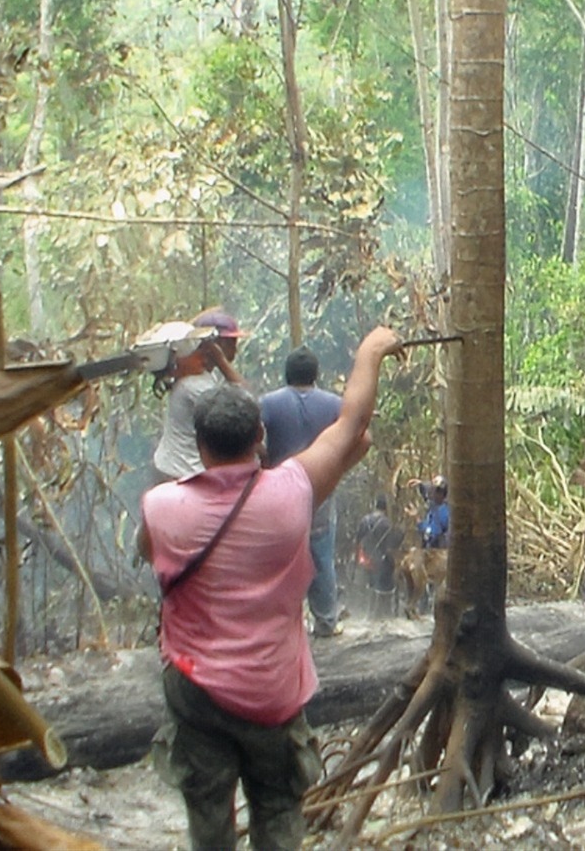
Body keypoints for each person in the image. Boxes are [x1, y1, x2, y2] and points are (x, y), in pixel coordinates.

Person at [141, 327, 402, 851]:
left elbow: (153, 555)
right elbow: (354, 426)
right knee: (279, 807)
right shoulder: (291, 494)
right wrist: (371, 350)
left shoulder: (161, 507)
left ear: (199, 445)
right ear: (260, 436)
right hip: (271, 688)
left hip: (193, 688)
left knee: (207, 811)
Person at [259, 347, 343, 635]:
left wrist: (265, 462)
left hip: (280, 491)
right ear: (315, 374)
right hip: (320, 489)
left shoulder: (268, 403)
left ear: (287, 374)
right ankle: (326, 621)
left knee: (280, 557)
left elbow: (253, 437)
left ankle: (281, 623)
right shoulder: (334, 404)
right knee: (321, 555)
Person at [151, 307, 247, 482]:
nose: (236, 349)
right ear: (214, 345)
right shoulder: (194, 384)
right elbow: (246, 404)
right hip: (181, 473)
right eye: (231, 342)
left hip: (180, 468)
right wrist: (221, 360)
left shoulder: (203, 376)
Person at [352, 494, 402, 618]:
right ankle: (383, 614)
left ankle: (366, 612)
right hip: (382, 561)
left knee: (370, 585)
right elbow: (392, 545)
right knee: (384, 588)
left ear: (375, 505)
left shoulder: (365, 521)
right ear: (385, 508)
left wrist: (357, 559)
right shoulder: (387, 524)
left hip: (367, 559)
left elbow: (357, 541)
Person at [416, 475, 450, 550]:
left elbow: (431, 533)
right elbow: (426, 495)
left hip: (437, 552)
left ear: (440, 493)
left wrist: (418, 519)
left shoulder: (443, 513)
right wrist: (420, 483)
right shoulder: (434, 506)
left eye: (434, 490)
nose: (431, 493)